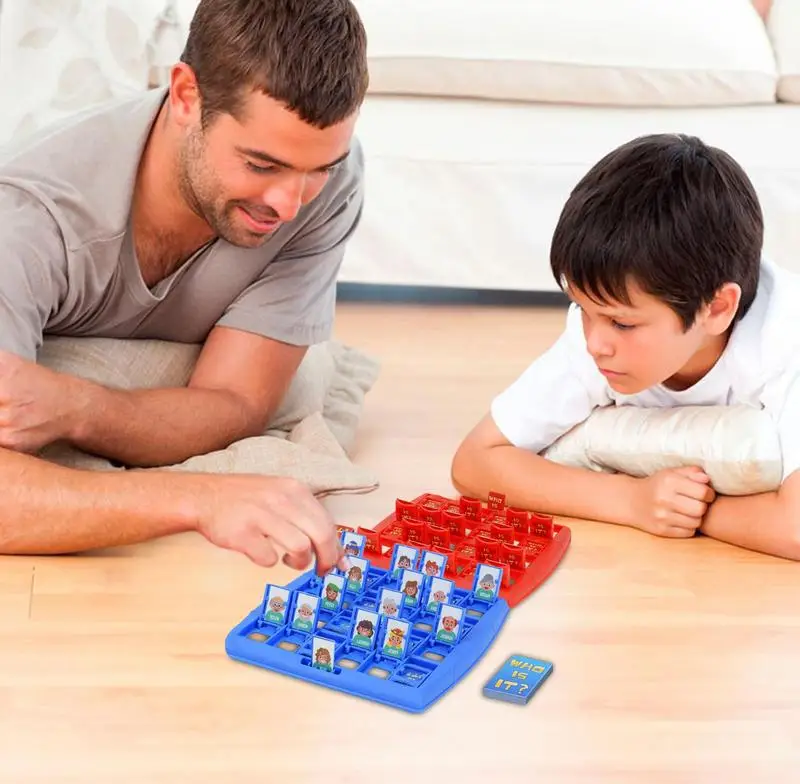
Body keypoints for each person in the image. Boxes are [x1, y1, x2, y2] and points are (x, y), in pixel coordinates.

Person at [0, 0, 368, 575]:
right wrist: (199, 497)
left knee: (302, 378)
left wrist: (75, 405)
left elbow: (241, 402)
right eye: (261, 165)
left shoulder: (329, 173)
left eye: (317, 169)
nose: (291, 205)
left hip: (116, 380)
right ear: (185, 95)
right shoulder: (27, 219)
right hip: (47, 345)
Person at [452, 133, 800, 561]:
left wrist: (691, 511)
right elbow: (474, 462)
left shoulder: (785, 341)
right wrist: (631, 500)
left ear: (716, 308)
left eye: (622, 322)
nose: (595, 343)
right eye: (581, 307)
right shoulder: (598, 332)